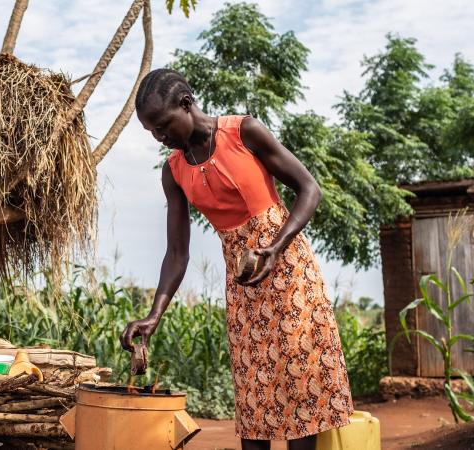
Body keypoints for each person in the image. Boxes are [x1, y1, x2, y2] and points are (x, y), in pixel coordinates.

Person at [121, 68, 354, 450]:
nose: (161, 138)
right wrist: (154, 314)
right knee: (254, 399)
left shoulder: (244, 132)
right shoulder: (174, 171)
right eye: (153, 133)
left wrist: (276, 246)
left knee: (302, 392)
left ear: (186, 104)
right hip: (243, 286)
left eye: (163, 126)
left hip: (290, 272)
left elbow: (310, 188)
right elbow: (177, 252)